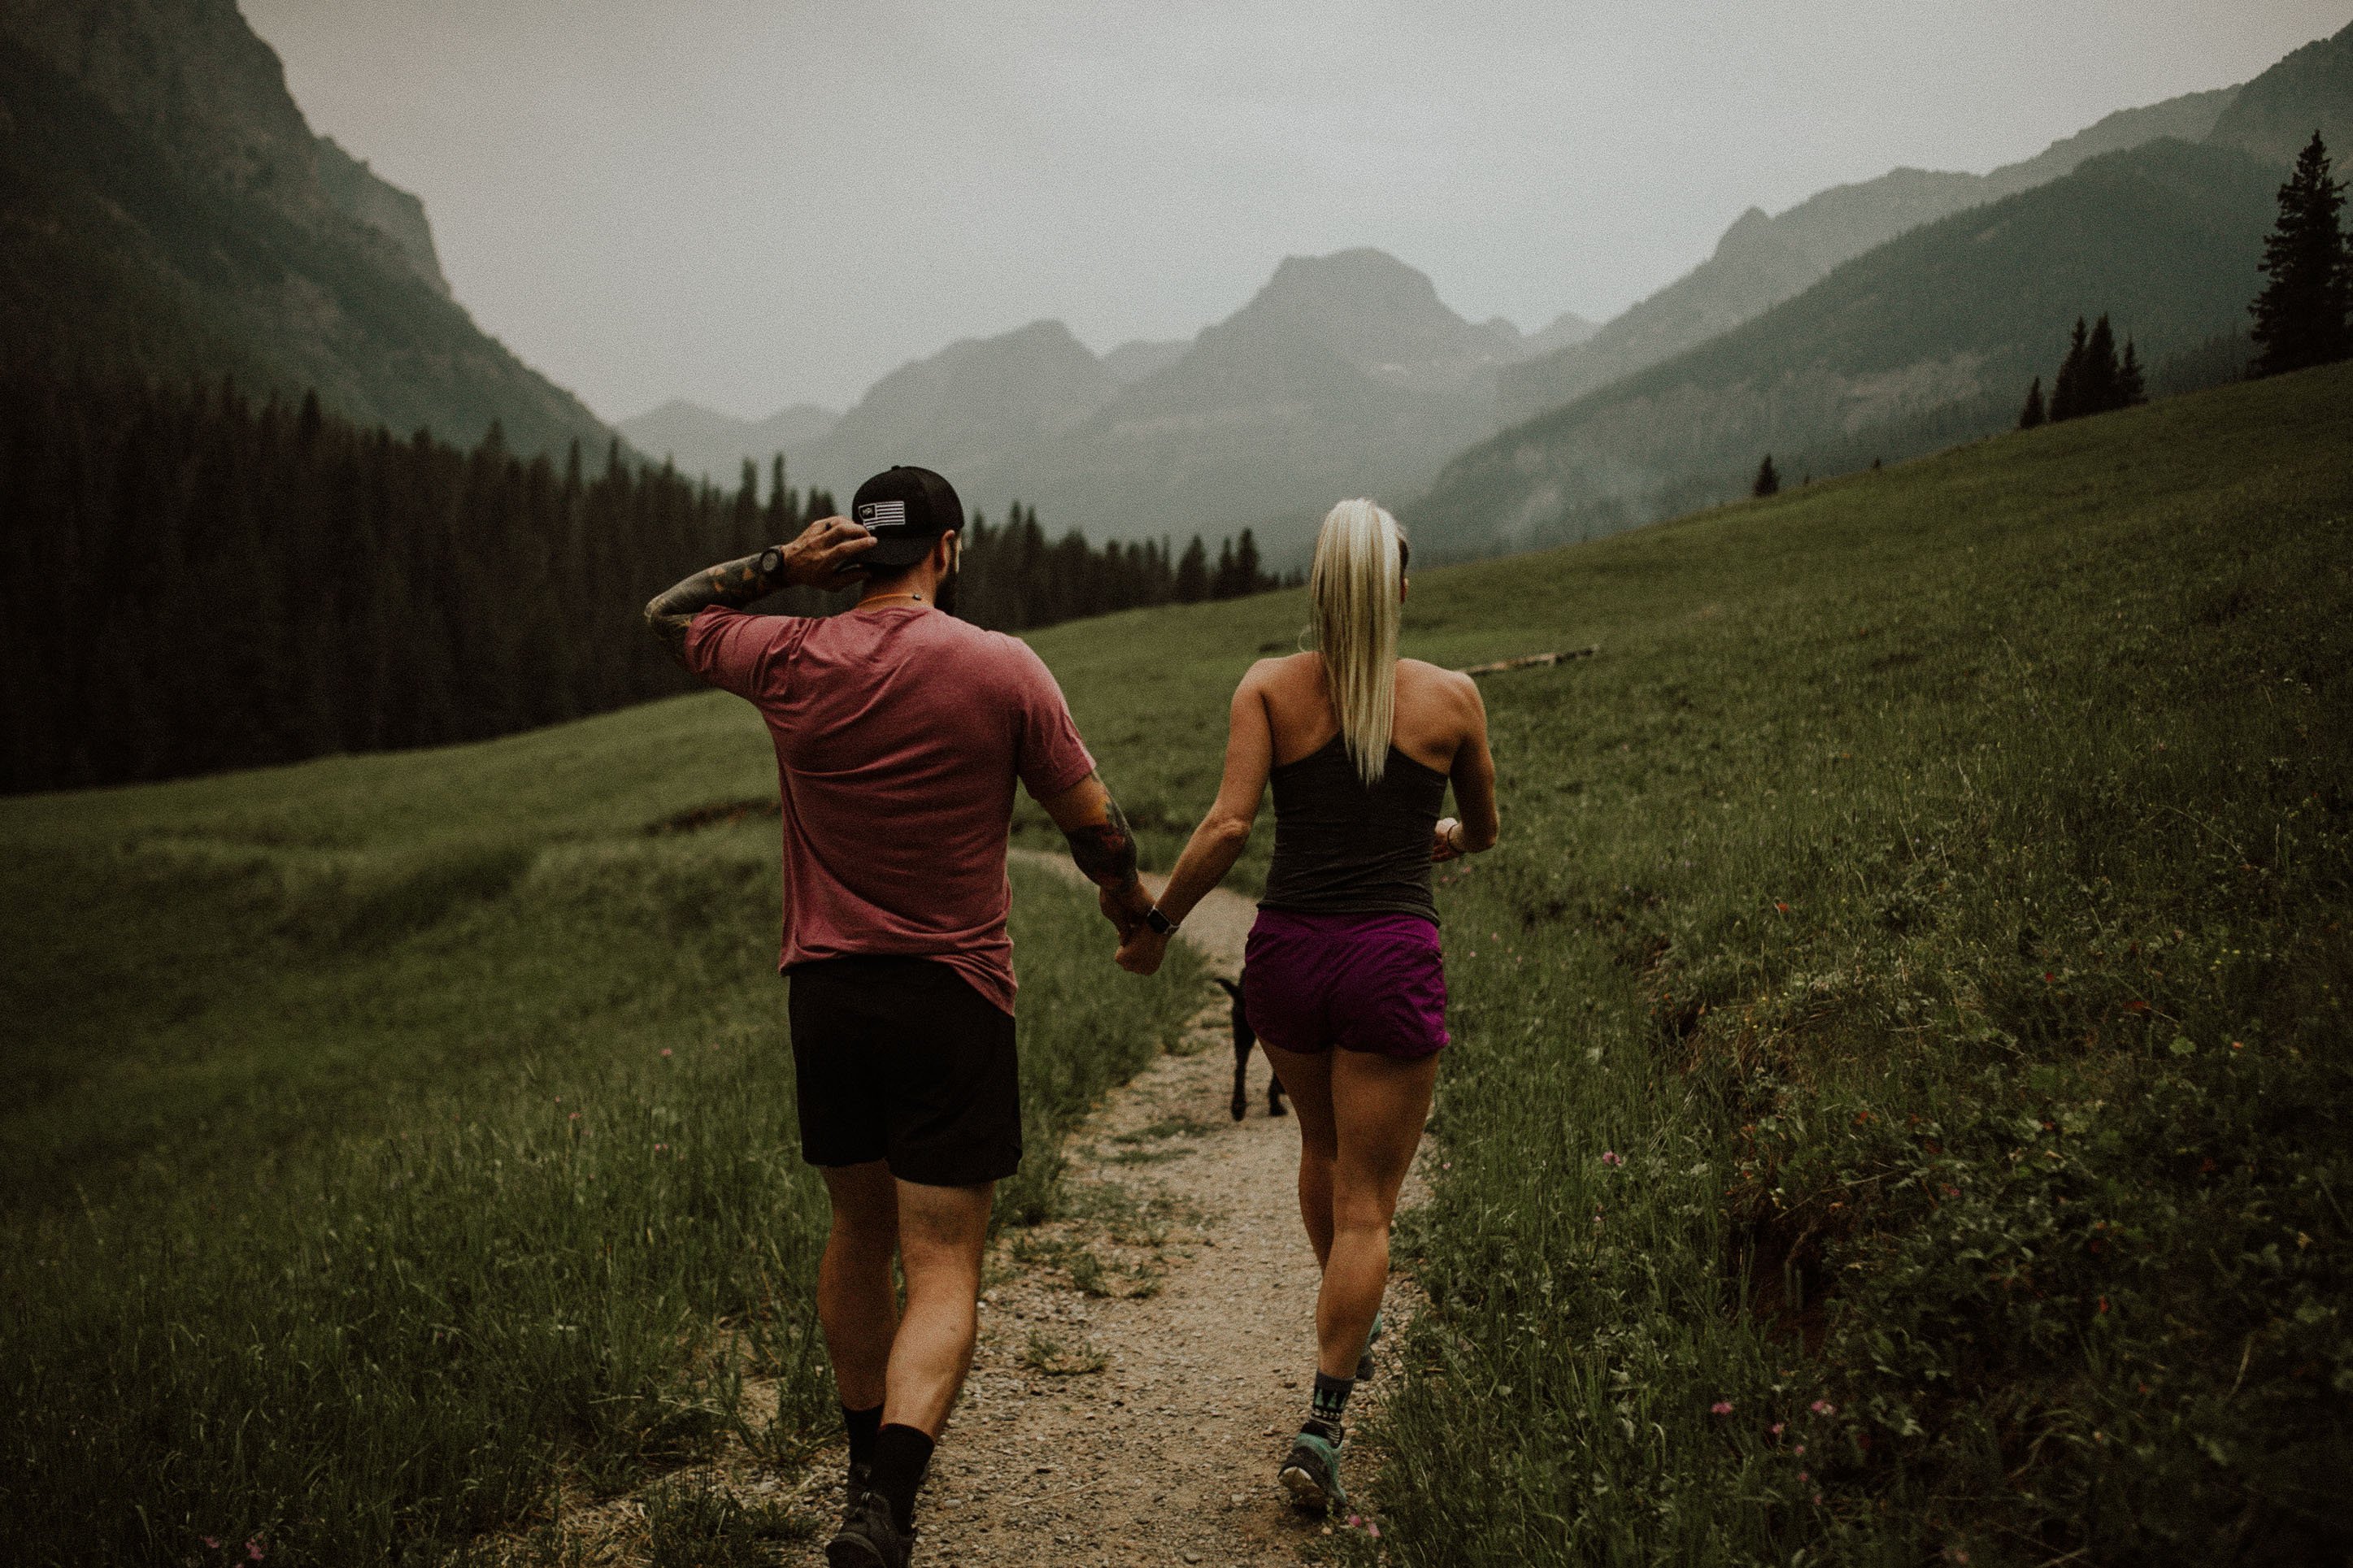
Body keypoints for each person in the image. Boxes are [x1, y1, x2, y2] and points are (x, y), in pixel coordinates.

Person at [642, 465, 1154, 1568]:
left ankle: (859, 1470)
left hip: (826, 996)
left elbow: (670, 614)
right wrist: (1133, 914)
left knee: (857, 1233)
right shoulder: (1000, 666)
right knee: (943, 1262)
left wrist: (782, 564)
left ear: (851, 551)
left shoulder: (785, 657)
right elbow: (1095, 830)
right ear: (950, 548)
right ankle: (889, 1505)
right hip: (952, 996)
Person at [1107, 497, 1498, 1514]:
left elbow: (1229, 826)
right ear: (1400, 589)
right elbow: (1484, 830)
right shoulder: (1451, 700)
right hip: (1388, 962)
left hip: (1286, 960)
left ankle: (1343, 1323)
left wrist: (1154, 927)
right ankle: (1324, 1421)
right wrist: (1440, 835)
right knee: (1368, 1204)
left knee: (1320, 1155)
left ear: (1318, 590)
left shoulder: (1267, 690)